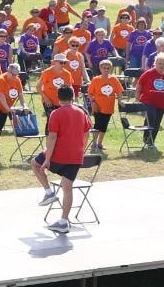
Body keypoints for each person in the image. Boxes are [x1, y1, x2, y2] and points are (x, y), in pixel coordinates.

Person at [33, 85, 92, 233]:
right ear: (73, 96)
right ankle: (64, 221)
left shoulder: (56, 113)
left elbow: (52, 137)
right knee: (67, 188)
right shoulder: (82, 112)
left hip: (59, 155)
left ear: (58, 98)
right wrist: (81, 149)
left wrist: (47, 159)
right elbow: (87, 133)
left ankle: (48, 192)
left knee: (35, 163)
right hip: (76, 156)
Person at [85, 60, 124, 156]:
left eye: (108, 68)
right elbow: (90, 93)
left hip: (109, 107)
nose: (106, 70)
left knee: (104, 126)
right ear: (100, 69)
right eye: (104, 68)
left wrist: (119, 101)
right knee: (98, 125)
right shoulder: (96, 80)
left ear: (111, 69)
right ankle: (94, 143)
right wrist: (93, 103)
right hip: (98, 106)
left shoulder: (114, 79)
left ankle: (100, 143)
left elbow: (119, 91)